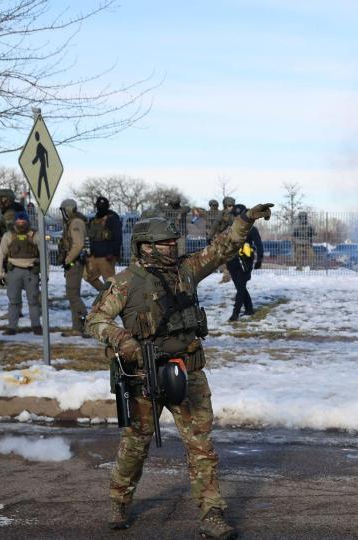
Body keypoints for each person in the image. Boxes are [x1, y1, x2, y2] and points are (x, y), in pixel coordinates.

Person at [86, 202, 274, 538]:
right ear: (145, 246)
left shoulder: (187, 270)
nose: (173, 248)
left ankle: (211, 514)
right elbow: (96, 320)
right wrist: (123, 341)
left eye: (175, 243)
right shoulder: (127, 283)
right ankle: (119, 500)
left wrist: (245, 221)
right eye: (165, 244)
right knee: (135, 445)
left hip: (187, 371)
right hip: (144, 376)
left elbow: (222, 247)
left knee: (201, 446)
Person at [0, 211, 42, 336]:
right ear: (15, 222)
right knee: (14, 301)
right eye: (19, 221)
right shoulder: (8, 236)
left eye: (23, 221)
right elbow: (1, 254)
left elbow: (44, 254)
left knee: (33, 301)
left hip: (31, 271)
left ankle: (36, 326)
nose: (21, 223)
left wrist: (45, 274)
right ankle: (12, 327)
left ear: (27, 221)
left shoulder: (35, 235)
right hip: (13, 271)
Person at [226, 204, 263, 322]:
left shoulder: (251, 229)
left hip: (245, 261)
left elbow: (259, 245)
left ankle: (235, 313)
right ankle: (249, 309)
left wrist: (259, 260)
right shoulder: (230, 227)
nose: (237, 218)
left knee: (241, 287)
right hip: (231, 260)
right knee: (239, 287)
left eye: (239, 216)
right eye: (235, 216)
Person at [58, 199, 88, 337]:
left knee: (73, 294)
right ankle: (77, 327)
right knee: (72, 295)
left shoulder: (76, 223)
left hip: (74, 262)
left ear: (67, 209)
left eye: (63, 210)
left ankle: (87, 325)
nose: (62, 214)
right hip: (73, 262)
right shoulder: (73, 222)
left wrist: (68, 259)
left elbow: (78, 244)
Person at [86, 196, 122, 291]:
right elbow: (91, 238)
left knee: (110, 283)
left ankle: (113, 301)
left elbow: (118, 237)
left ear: (107, 206)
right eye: (98, 205)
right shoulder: (94, 220)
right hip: (95, 255)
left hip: (107, 256)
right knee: (89, 277)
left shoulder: (112, 218)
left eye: (102, 205)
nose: (100, 206)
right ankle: (104, 294)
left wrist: (112, 253)